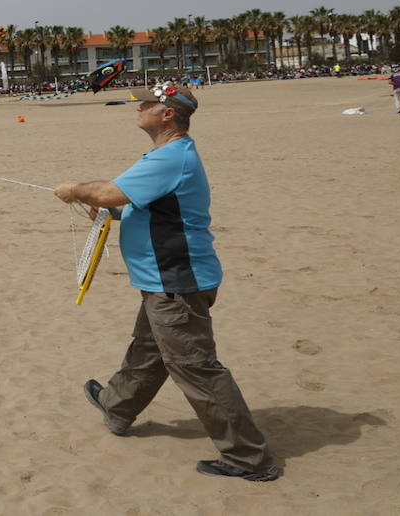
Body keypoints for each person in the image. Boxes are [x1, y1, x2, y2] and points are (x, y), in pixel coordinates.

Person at [54, 82, 281, 482]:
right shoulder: (166, 155)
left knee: (195, 367)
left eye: (147, 103)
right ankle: (117, 405)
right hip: (163, 280)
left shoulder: (172, 156)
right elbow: (144, 206)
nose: (137, 107)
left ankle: (250, 459)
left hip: (177, 280)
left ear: (168, 114)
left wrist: (74, 191)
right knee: (148, 349)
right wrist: (113, 214)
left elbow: (109, 192)